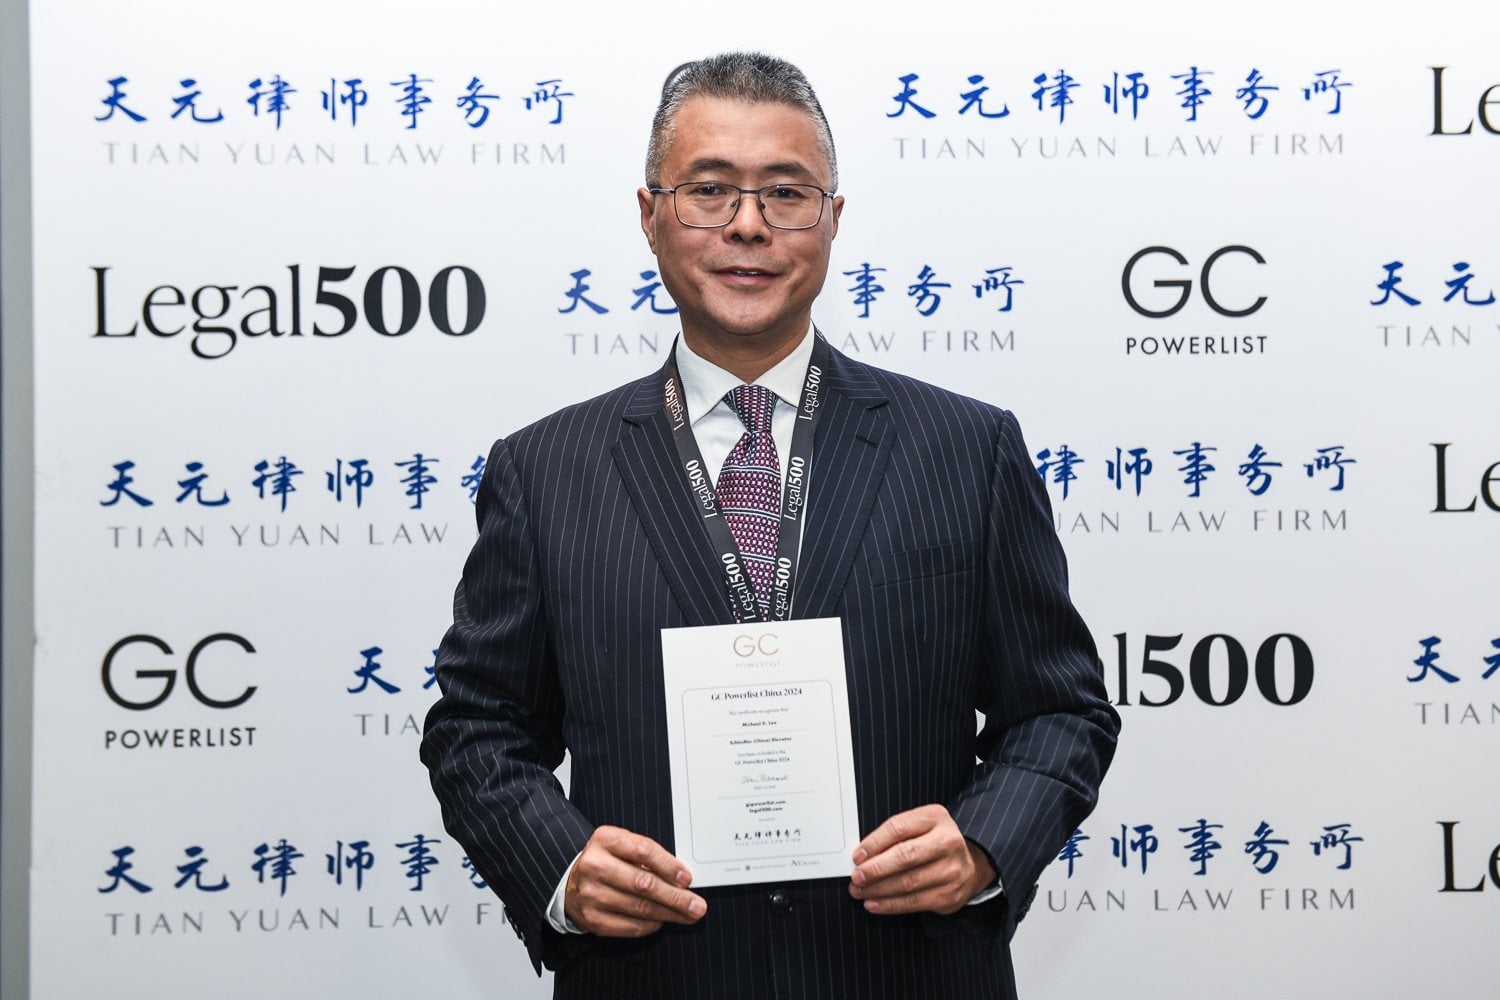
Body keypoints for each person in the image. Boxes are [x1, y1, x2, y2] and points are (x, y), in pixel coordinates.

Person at [422, 52, 1119, 1000]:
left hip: (906, 972)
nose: (747, 224)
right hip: (656, 976)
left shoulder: (968, 448)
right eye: (709, 189)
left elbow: (1061, 709)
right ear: (650, 215)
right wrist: (561, 867)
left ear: (833, 218)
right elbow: (477, 724)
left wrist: (984, 845)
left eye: (786, 193)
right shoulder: (545, 470)